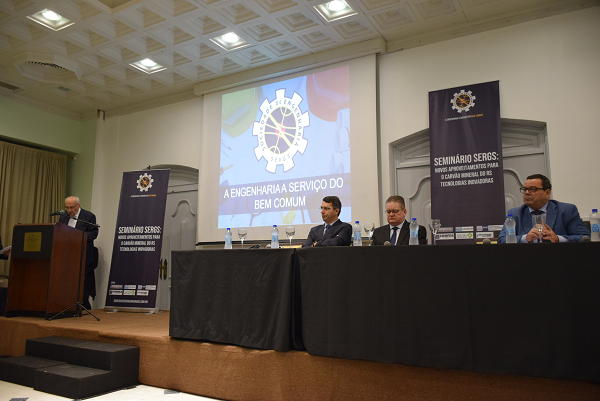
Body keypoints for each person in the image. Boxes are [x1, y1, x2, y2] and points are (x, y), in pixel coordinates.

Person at [498, 174, 590, 243]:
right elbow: (502, 240)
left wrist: (558, 239)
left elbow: (585, 238)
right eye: (525, 189)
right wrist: (525, 238)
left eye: (533, 189)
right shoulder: (515, 214)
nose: (527, 193)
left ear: (547, 193)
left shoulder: (567, 210)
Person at [59, 196, 99, 309]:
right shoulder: (63, 216)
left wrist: (78, 236)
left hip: (82, 254)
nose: (69, 210)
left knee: (80, 283)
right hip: (66, 254)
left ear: (78, 206)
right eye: (67, 207)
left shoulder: (88, 216)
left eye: (72, 207)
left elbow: (93, 234)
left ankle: (82, 306)